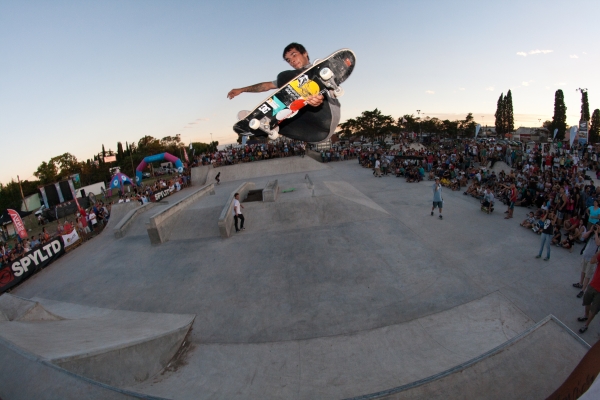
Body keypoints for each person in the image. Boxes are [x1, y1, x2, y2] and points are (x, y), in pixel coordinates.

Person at [227, 43, 340, 143]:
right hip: (314, 134)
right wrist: (241, 90)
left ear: (305, 53)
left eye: (294, 55)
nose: (292, 61)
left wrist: (319, 100)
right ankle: (266, 124)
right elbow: (265, 86)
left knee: (284, 76)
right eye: (288, 60)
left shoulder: (320, 73)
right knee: (286, 85)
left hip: (326, 118)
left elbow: (331, 94)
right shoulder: (291, 81)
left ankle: (274, 117)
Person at [577, 249, 600, 333]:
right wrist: (598, 252)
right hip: (593, 285)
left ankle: (586, 325)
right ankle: (586, 315)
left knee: (594, 309)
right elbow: (592, 261)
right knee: (587, 302)